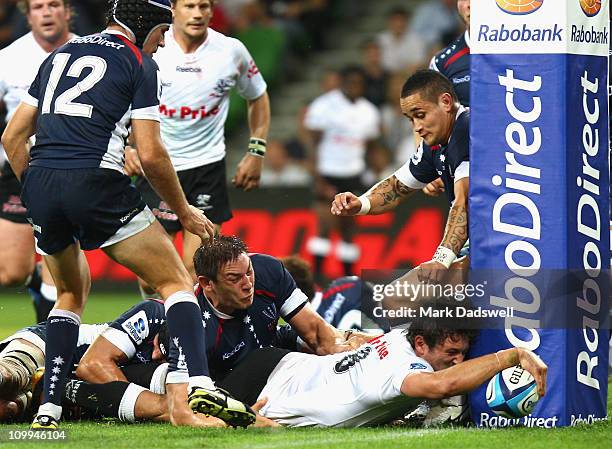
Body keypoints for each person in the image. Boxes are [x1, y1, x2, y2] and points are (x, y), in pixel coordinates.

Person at [0, 0, 256, 430]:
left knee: (69, 295)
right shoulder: (139, 61)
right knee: (175, 281)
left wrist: (42, 190)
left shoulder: (61, 54)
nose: (160, 45)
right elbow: (152, 153)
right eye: (160, 34)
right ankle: (197, 388)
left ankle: (49, 411)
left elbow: (12, 135)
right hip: (97, 180)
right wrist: (184, 211)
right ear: (145, 26)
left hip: (40, 180)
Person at [67, 235, 359, 424]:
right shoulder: (188, 322)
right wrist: (145, 408)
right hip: (83, 348)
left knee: (323, 343)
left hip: (237, 366)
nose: (248, 283)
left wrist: (356, 356)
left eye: (249, 272)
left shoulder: (268, 273)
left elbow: (319, 336)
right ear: (207, 284)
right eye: (235, 278)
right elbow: (183, 411)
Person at [125, 0, 271, 292]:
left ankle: (181, 334)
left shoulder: (231, 51)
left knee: (195, 266)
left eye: (203, 6)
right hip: (157, 169)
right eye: (189, 6)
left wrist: (256, 150)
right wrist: (127, 147)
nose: (197, 13)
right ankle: (158, 323)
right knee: (150, 277)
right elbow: (124, 101)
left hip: (207, 168)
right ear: (173, 9)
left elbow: (258, 97)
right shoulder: (153, 48)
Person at [214, 301, 548, 427]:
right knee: (173, 405)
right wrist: (513, 355)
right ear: (421, 344)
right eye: (451, 352)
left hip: (284, 366)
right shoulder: (405, 371)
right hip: (267, 396)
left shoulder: (403, 335)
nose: (459, 361)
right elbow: (441, 385)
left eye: (462, 352)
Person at [331, 70, 469, 284]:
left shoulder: (469, 131)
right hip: (479, 242)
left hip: (506, 241)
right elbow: (396, 187)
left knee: (403, 299)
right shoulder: (437, 143)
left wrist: (442, 260)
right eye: (410, 119)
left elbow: (466, 204)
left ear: (446, 102)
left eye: (420, 115)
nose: (417, 127)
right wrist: (361, 203)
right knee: (397, 298)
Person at [0, 0, 75, 322]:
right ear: (28, 15)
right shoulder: (7, 60)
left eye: (54, 4)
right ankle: (34, 284)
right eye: (38, 6)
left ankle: (51, 355)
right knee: (11, 273)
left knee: (60, 275)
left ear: (68, 11)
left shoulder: (90, 52)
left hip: (71, 169)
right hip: (18, 170)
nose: (46, 12)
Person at [0, 302, 169, 423]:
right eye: (157, 346)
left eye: (163, 357)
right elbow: (91, 366)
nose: (154, 356)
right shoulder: (154, 314)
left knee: (8, 409)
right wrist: (132, 404)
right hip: (47, 346)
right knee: (10, 377)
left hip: (55, 391)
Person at [305, 65, 380, 280]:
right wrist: (316, 178)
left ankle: (348, 278)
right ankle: (317, 279)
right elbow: (312, 144)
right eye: (351, 83)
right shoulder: (324, 106)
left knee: (349, 229)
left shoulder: (369, 112)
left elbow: (372, 147)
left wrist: (376, 172)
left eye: (359, 83)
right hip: (328, 172)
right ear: (342, 83)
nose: (355, 87)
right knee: (324, 226)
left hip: (353, 174)